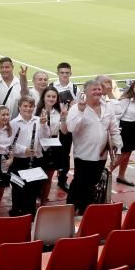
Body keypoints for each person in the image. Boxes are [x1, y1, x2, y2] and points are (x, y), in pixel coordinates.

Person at [65, 80, 121, 214]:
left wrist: (118, 149)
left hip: (101, 155)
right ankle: (73, 209)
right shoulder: (76, 108)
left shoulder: (108, 108)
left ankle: (84, 210)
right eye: (94, 89)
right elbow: (71, 128)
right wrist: (80, 111)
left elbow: (114, 130)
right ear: (86, 92)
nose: (97, 92)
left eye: (99, 89)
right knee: (81, 183)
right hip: (84, 155)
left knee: (93, 183)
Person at [7, 96, 46, 217]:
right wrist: (24, 150)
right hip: (19, 160)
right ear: (19, 107)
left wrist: (44, 125)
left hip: (34, 160)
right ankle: (16, 212)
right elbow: (10, 143)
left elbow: (46, 137)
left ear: (34, 107)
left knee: (32, 188)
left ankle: (30, 213)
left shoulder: (39, 120)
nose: (28, 109)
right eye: (25, 106)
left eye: (30, 106)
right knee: (18, 187)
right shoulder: (13, 123)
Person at [34, 87, 68, 203]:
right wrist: (41, 123)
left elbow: (64, 131)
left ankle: (43, 201)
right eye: (48, 96)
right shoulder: (35, 111)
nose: (51, 99)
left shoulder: (58, 112)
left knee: (48, 176)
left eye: (54, 97)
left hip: (53, 145)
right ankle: (34, 199)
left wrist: (63, 118)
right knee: (37, 177)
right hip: (38, 145)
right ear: (43, 97)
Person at [50, 62, 79, 192]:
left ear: (70, 74)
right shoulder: (51, 86)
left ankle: (62, 179)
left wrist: (73, 105)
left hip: (67, 125)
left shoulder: (75, 88)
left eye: (67, 73)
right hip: (52, 125)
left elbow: (79, 108)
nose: (64, 75)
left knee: (65, 153)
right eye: (62, 72)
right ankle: (46, 180)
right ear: (57, 73)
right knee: (49, 152)